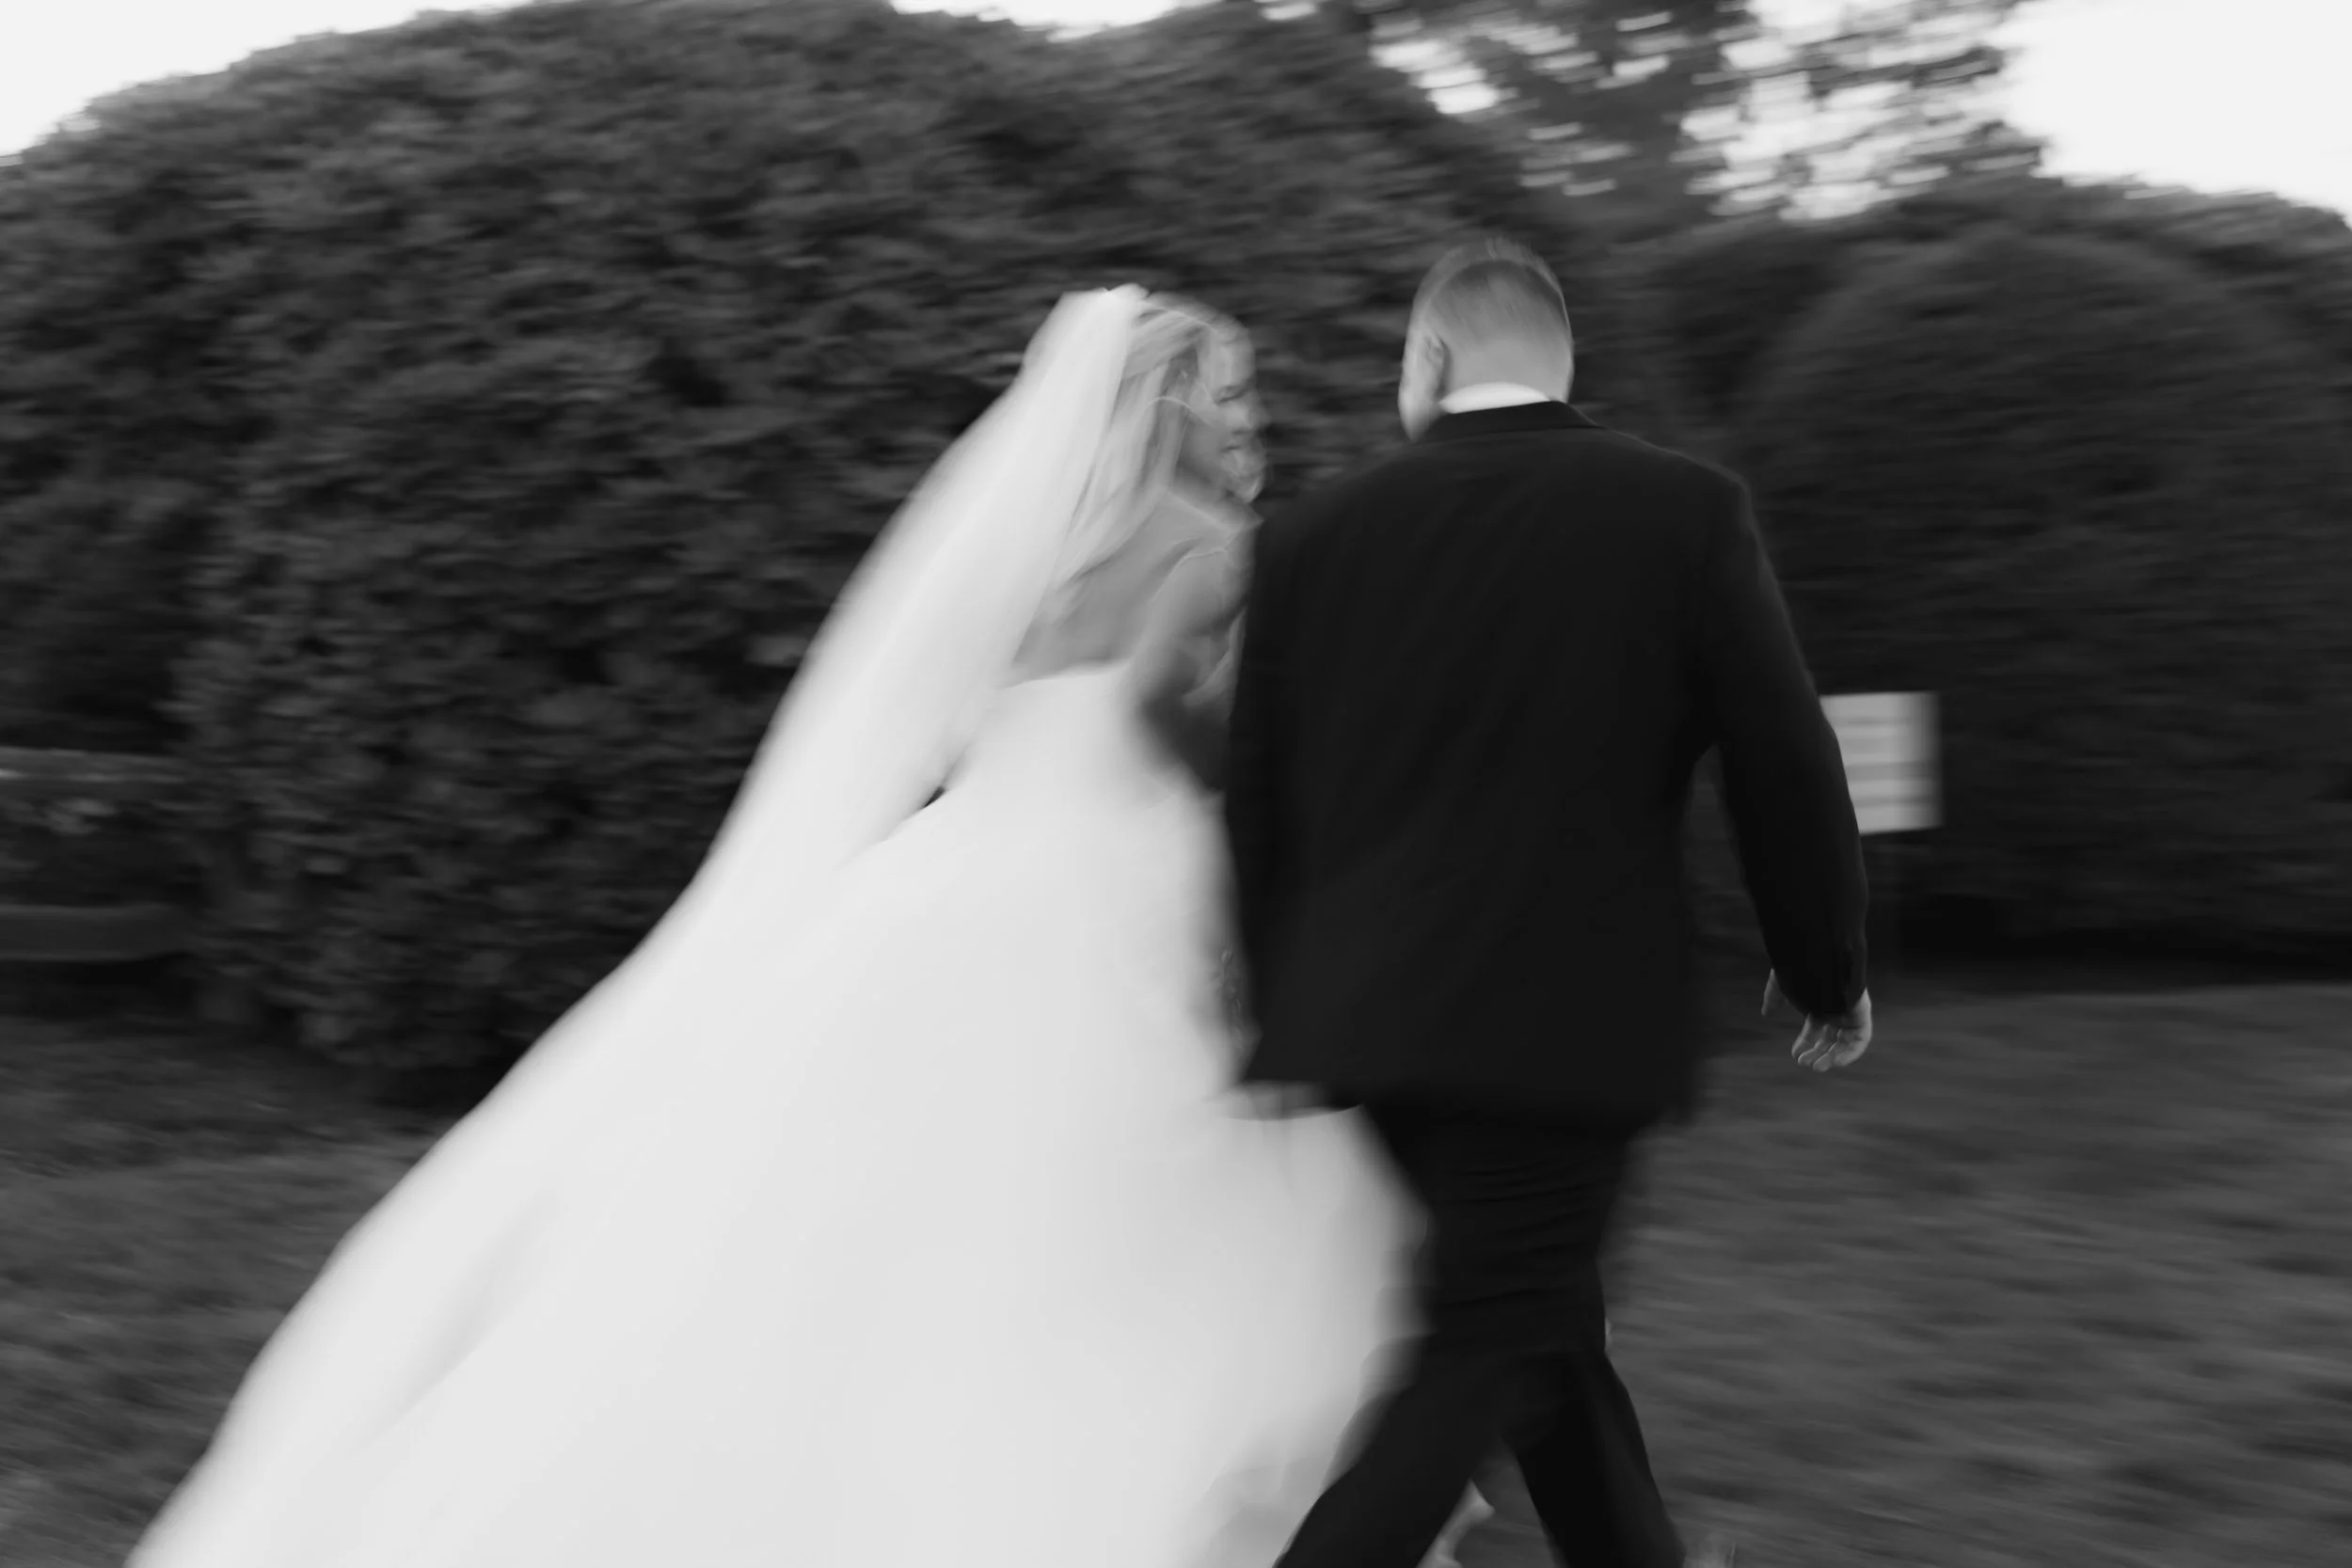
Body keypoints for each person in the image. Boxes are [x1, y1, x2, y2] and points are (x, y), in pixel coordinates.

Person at [125, 288, 1482, 1568]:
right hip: (1119, 882)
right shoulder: (1209, 547)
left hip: (954, 874)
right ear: (1168, 399)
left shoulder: (1035, 550)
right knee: (1152, 1210)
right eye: (1226, 392)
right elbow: (1223, 742)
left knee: (878, 1208)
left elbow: (943, 713)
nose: (1246, 417)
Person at [1227, 239, 1874, 1568]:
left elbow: (1260, 798)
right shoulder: (1679, 510)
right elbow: (1783, 756)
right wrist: (1825, 967)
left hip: (1367, 1028)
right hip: (1562, 1026)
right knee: (1490, 1341)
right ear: (1559, 363)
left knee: (1539, 1327)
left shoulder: (1312, 536)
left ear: (1431, 357)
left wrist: (1280, 1003)